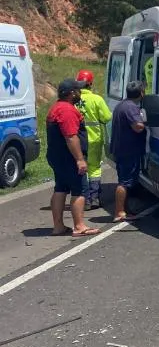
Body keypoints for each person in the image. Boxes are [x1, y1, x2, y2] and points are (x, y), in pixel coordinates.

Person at [47, 79, 100, 237]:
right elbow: (71, 137)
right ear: (71, 93)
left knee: (60, 188)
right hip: (69, 158)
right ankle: (79, 226)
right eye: (78, 90)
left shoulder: (56, 107)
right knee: (80, 190)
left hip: (57, 156)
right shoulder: (67, 111)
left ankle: (58, 227)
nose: (80, 93)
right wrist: (79, 159)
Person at [110, 80, 147, 223]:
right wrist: (144, 122)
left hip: (121, 149)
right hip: (128, 151)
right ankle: (119, 212)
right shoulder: (131, 108)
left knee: (126, 180)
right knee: (124, 182)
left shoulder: (122, 105)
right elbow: (137, 126)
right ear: (141, 93)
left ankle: (125, 210)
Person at [76, 69, 112, 210]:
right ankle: (94, 197)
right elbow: (107, 117)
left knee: (80, 168)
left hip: (77, 140)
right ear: (90, 84)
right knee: (94, 168)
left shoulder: (73, 98)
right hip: (94, 138)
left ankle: (83, 199)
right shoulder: (96, 99)